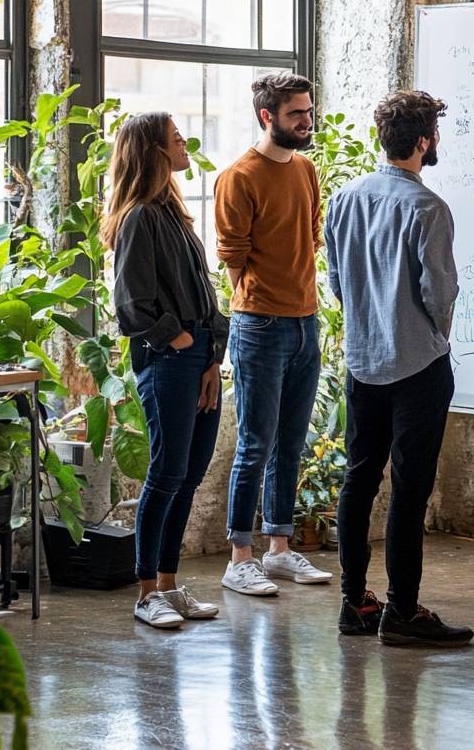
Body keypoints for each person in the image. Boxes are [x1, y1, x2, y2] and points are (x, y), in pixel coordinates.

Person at [325, 90, 473, 648]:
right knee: (410, 490)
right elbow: (440, 290)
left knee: (358, 479)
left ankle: (354, 601)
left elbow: (338, 283)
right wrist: (438, 331)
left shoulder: (344, 199)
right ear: (423, 142)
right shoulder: (426, 207)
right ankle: (403, 610)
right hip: (417, 366)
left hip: (362, 364)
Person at [104, 112, 229, 630]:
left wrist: (211, 355)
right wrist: (178, 342)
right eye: (175, 137)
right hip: (170, 358)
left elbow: (204, 290)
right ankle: (146, 591)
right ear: (154, 151)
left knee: (189, 476)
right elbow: (132, 305)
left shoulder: (174, 214)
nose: (184, 143)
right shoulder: (139, 218)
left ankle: (170, 585)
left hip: (200, 355)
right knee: (167, 474)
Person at [215, 73, 332, 595]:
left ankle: (279, 549)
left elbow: (311, 236)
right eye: (296, 115)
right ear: (268, 117)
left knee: (292, 442)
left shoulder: (305, 170)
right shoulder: (239, 177)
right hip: (260, 326)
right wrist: (261, 305)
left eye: (308, 111)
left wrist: (299, 307)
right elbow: (233, 259)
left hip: (306, 322)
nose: (307, 121)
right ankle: (241, 556)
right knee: (255, 444)